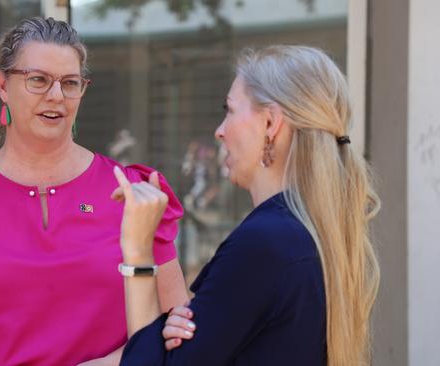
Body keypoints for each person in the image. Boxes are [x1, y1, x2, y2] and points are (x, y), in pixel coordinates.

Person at [0, 17, 188, 366]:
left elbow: (175, 323)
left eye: (70, 82)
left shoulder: (132, 192)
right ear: (2, 84)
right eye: (38, 80)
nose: (56, 95)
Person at [112, 45, 380, 365]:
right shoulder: (319, 230)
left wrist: (139, 252)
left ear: (270, 123)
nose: (220, 131)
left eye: (229, 109)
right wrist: (169, 331)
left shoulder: (265, 244)